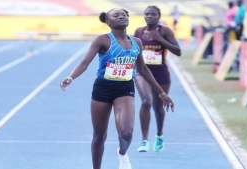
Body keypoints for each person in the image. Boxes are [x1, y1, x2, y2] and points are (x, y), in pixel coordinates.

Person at [60, 8, 175, 169]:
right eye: (116, 15)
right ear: (108, 22)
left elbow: (142, 69)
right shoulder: (102, 40)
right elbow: (84, 63)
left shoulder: (137, 42)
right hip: (103, 89)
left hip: (125, 88)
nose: (122, 16)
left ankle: (122, 153)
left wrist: (161, 93)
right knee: (99, 136)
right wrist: (71, 77)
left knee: (126, 133)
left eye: (124, 14)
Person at [133, 6, 181, 153]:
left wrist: (160, 40)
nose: (150, 16)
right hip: (142, 73)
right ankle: (144, 140)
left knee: (159, 107)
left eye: (153, 14)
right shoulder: (138, 32)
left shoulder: (165, 31)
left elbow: (178, 51)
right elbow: (133, 51)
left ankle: (159, 134)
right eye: (147, 14)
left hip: (161, 74)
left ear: (159, 16)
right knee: (146, 101)